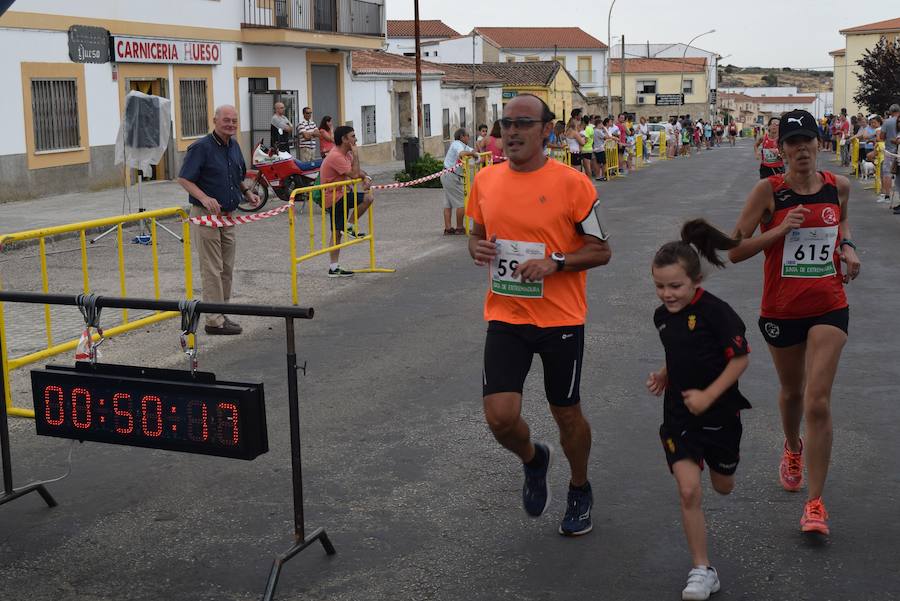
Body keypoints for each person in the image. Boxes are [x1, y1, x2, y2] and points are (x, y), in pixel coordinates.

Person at [466, 94, 611, 537]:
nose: (511, 132)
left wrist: (557, 263)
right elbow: (475, 235)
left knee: (567, 414)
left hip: (560, 320)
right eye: (505, 124)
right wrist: (476, 248)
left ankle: (580, 487)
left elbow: (602, 250)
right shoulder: (485, 181)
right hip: (507, 315)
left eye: (522, 123)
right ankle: (534, 459)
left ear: (546, 130)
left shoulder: (573, 183)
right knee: (499, 417)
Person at [728, 110, 861, 536]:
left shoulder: (838, 187)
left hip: (829, 304)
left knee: (818, 400)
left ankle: (816, 503)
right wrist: (779, 230)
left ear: (819, 144)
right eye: (793, 142)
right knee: (792, 392)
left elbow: (839, 223)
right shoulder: (768, 191)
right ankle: (791, 448)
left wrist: (848, 248)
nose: (801, 149)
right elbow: (734, 249)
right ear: (781, 148)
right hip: (782, 309)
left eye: (808, 141)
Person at [648, 219, 750, 601]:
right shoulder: (661, 317)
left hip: (721, 413)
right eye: (660, 286)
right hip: (679, 415)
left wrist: (709, 396)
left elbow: (739, 359)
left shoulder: (717, 313)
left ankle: (723, 465)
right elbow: (680, 352)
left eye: (675, 286)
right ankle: (702, 571)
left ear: (695, 281)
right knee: (689, 491)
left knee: (722, 486)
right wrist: (663, 373)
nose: (667, 294)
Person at [178, 105, 260, 335]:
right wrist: (204, 198)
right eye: (226, 120)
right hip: (206, 217)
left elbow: (236, 176)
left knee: (226, 268)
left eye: (234, 120)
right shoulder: (201, 147)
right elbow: (184, 179)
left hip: (228, 216)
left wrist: (247, 193)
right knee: (212, 268)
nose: (231, 124)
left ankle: (221, 313)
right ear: (215, 120)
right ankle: (213, 321)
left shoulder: (233, 145)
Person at [320, 125, 374, 277]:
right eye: (352, 136)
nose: (355, 139)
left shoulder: (346, 155)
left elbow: (357, 172)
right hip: (334, 197)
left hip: (341, 195)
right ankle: (349, 226)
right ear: (344, 139)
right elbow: (354, 173)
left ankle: (334, 268)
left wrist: (366, 177)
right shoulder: (336, 155)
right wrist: (356, 155)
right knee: (368, 198)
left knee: (337, 233)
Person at [440, 128, 478, 235]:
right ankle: (460, 227)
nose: (469, 137)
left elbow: (472, 151)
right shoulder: (457, 144)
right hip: (452, 176)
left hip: (448, 175)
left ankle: (448, 228)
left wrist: (476, 153)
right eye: (467, 136)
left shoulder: (464, 146)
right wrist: (473, 155)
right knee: (462, 202)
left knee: (448, 203)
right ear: (462, 136)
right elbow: (462, 154)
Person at [881, 104, 899, 207]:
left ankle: (887, 196)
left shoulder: (887, 122)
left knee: (887, 173)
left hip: (889, 151)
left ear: (890, 112)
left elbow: (882, 136)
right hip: (898, 151)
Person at [579, 114, 595, 179]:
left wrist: (580, 142)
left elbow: (586, 139)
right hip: (589, 148)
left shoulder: (586, 129)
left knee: (587, 167)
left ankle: (589, 181)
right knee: (587, 166)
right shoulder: (591, 128)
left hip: (585, 149)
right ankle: (589, 180)